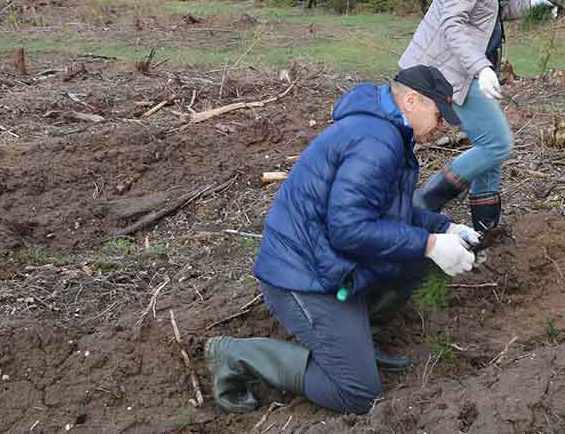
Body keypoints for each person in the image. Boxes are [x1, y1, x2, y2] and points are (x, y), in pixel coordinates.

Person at [205, 65, 481, 415]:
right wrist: (429, 244)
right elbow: (349, 228)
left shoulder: (387, 132)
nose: (443, 125)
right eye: (440, 115)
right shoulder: (377, 141)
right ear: (411, 101)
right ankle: (236, 354)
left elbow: (388, 214)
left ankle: (358, 340)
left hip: (329, 263)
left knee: (419, 256)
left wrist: (445, 228)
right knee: (358, 394)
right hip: (303, 275)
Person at [401, 0, 559, 230]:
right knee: (498, 143)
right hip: (446, 69)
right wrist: (481, 67)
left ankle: (485, 227)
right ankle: (424, 201)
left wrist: (532, 4)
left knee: (491, 145)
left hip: (471, 67)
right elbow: (452, 23)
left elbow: (495, 8)